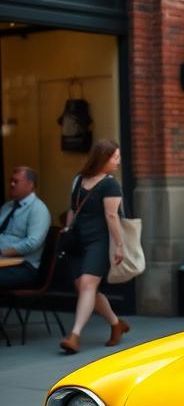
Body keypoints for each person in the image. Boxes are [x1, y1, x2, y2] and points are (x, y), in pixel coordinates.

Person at [59, 139, 130, 354]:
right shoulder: (78, 180)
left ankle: (74, 335)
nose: (118, 161)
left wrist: (119, 246)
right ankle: (116, 323)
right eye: (115, 157)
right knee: (84, 288)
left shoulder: (111, 184)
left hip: (98, 242)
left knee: (88, 285)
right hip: (77, 240)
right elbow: (72, 208)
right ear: (103, 158)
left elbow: (112, 216)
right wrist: (68, 229)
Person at [0, 166, 51, 290]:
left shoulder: (38, 209)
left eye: (16, 181)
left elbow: (32, 243)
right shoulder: (7, 206)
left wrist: (2, 252)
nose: (11, 184)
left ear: (30, 185)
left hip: (24, 267)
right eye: (11, 180)